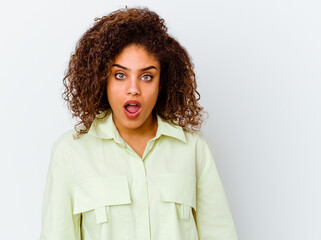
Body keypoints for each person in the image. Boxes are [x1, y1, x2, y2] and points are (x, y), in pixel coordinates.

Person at [40, 7, 238, 240]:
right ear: (102, 79)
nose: (133, 89)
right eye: (120, 75)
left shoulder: (193, 149)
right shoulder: (70, 152)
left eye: (146, 76)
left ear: (162, 83)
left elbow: (219, 234)